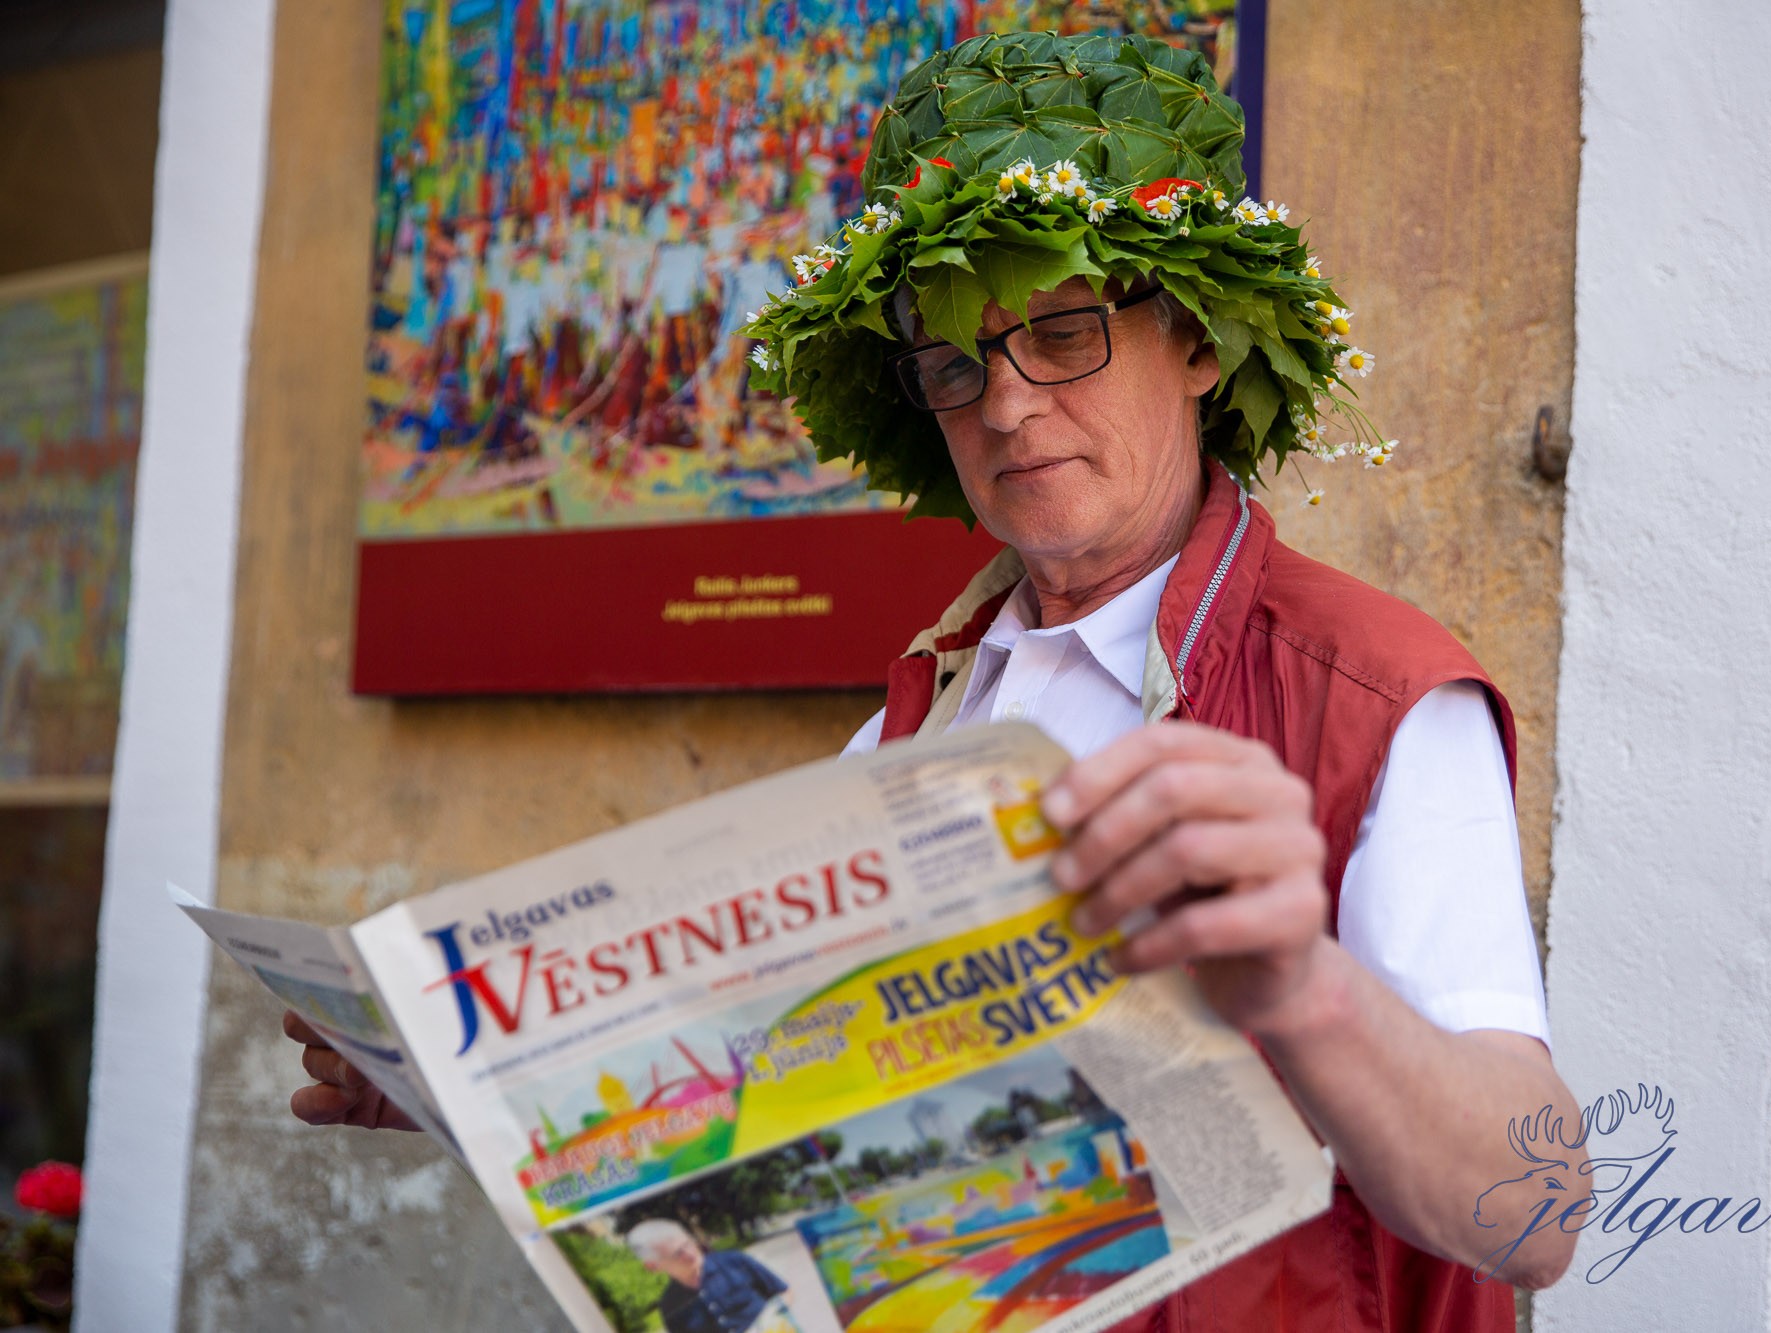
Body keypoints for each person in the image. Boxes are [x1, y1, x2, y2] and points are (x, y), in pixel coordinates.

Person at [289, 31, 1582, 1330]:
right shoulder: (927, 707)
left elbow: (1538, 1215)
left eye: (1064, 332)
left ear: (1194, 341)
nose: (1008, 409)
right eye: (956, 364)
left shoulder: (1374, 695)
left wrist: (1302, 983)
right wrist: (486, 1103)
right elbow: (784, 1129)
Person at [626, 1220, 794, 1333]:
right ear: (652, 1266)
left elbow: (785, 1292)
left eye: (688, 1243)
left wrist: (772, 1316)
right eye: (678, 1254)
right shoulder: (669, 1305)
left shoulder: (735, 1261)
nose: (690, 1254)